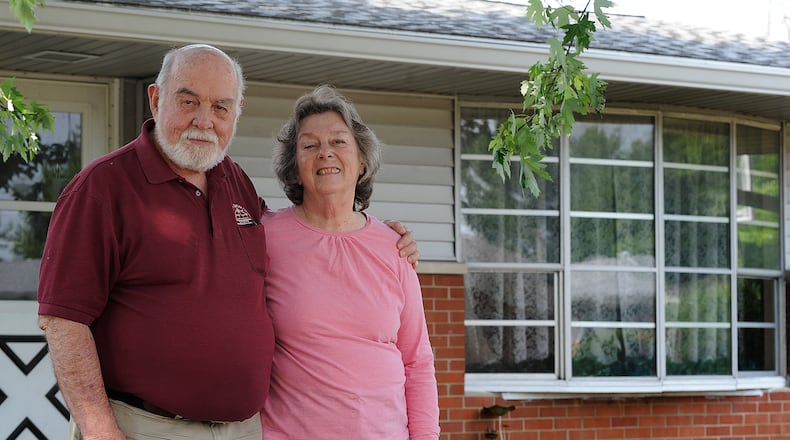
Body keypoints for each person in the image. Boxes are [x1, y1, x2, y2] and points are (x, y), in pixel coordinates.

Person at [37, 44, 419, 440]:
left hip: (242, 430)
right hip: (145, 426)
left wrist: (379, 235)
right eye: (189, 101)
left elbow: (305, 233)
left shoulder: (233, 180)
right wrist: (98, 428)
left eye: (220, 107)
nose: (204, 121)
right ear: (156, 99)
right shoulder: (102, 188)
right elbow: (64, 319)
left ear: (237, 112)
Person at [260, 84, 440, 439]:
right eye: (309, 145)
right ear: (294, 168)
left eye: (339, 142)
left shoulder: (395, 247)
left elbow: (417, 361)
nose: (325, 152)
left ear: (361, 162)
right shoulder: (265, 239)